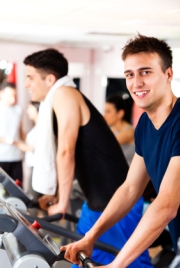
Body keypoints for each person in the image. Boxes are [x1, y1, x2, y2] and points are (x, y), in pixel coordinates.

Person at [23, 48, 152, 268]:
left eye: (30, 77)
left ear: (50, 79)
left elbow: (66, 151)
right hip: (97, 202)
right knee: (81, 258)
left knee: (128, 263)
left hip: (117, 203)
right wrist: (54, 192)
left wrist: (62, 202)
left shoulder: (64, 94)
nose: (27, 84)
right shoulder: (58, 97)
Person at [61, 34, 180, 267]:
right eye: (129, 74)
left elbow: (166, 205)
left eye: (146, 72)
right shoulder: (145, 125)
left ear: (168, 74)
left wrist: (117, 265)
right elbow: (130, 188)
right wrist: (91, 236)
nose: (136, 83)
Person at [14, 102, 41, 201]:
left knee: (31, 200)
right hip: (33, 167)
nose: (27, 111)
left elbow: (35, 148)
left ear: (36, 109)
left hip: (37, 168)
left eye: (30, 108)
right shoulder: (36, 125)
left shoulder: (41, 127)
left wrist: (16, 143)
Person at [0, 81, 25, 183]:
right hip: (2, 157)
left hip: (16, 157)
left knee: (17, 187)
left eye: (14, 96)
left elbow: (20, 131)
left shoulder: (18, 110)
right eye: (10, 96)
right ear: (1, 93)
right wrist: (9, 141)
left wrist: (28, 145)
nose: (13, 99)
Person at [104, 94, 135, 165]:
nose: (104, 115)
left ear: (120, 113)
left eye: (108, 112)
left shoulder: (129, 132)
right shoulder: (113, 129)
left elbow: (105, 146)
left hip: (129, 173)